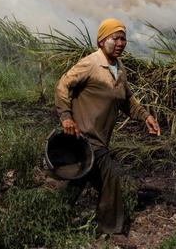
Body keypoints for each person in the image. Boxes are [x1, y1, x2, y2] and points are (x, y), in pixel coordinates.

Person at [54, 17, 161, 235]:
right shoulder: (91, 63)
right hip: (84, 135)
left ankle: (52, 216)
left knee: (79, 178)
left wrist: (145, 116)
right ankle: (112, 230)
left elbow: (127, 99)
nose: (121, 43)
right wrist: (66, 116)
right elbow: (62, 85)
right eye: (116, 38)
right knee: (110, 178)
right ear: (102, 41)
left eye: (124, 39)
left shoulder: (118, 68)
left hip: (99, 137)